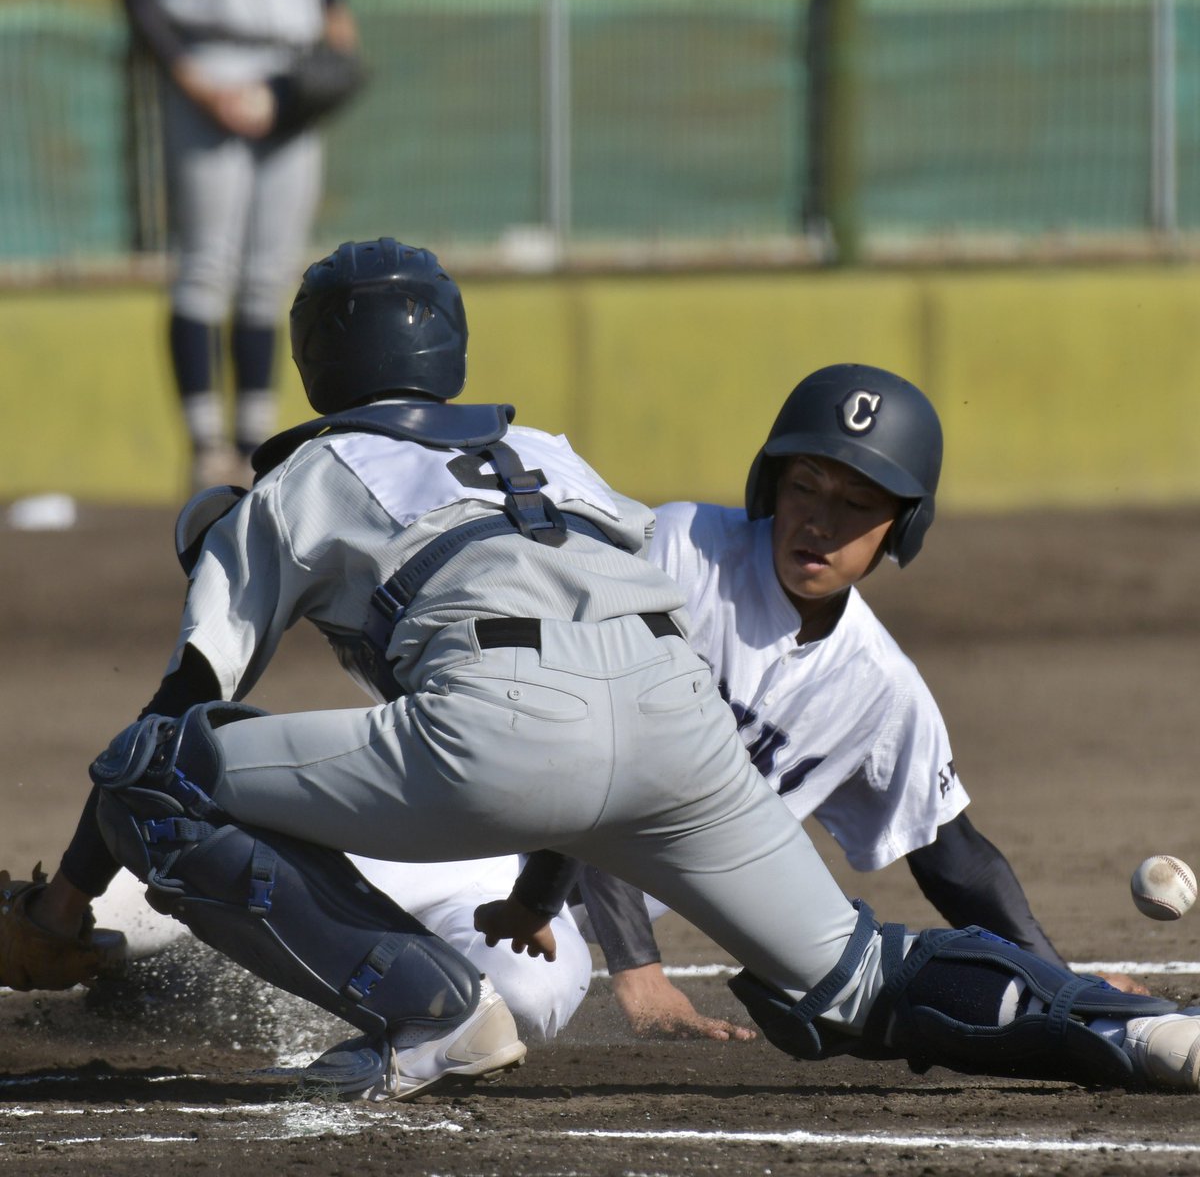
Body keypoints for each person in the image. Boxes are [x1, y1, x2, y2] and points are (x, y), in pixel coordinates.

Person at [7, 241, 1198, 1104]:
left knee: (149, 773)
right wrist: (542, 888)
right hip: (684, 733)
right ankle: (1130, 1033)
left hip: (491, 741)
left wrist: (60, 908)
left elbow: (179, 707)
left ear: (314, 361)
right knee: (861, 979)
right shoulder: (550, 455)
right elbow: (599, 690)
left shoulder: (297, 482)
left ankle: (423, 1010)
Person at [569, 364, 1148, 1042]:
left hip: (557, 928)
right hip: (490, 849)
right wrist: (638, 968)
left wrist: (1067, 991)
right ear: (770, 486)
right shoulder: (681, 552)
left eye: (856, 503)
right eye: (804, 486)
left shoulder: (878, 688)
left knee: (540, 985)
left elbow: (955, 861)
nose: (819, 522)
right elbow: (598, 752)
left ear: (902, 526)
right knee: (523, 992)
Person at [121, 0, 361, 491]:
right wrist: (193, 81)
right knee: (206, 267)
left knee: (268, 275)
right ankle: (206, 448)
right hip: (209, 61)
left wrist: (336, 22)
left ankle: (254, 447)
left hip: (291, 72)